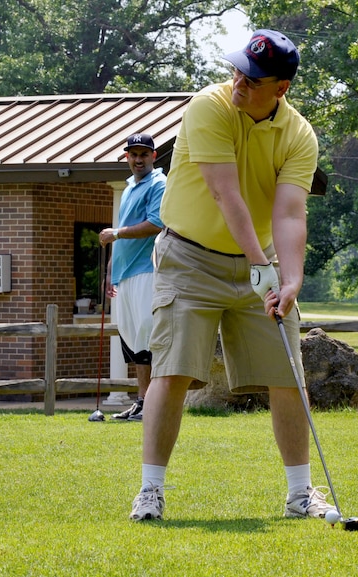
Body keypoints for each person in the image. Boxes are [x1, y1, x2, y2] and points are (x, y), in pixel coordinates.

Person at [129, 30, 333, 521]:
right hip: (189, 257)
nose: (239, 80)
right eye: (237, 69)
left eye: (253, 77)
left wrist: (290, 280)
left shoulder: (300, 136)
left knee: (288, 377)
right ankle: (150, 492)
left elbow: (288, 213)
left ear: (280, 88)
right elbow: (226, 196)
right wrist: (265, 268)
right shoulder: (209, 106)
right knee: (172, 371)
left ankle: (300, 496)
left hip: (259, 261)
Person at [99, 133, 166, 421]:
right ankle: (141, 402)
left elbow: (156, 223)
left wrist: (115, 233)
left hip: (147, 271)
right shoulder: (127, 188)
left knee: (147, 336)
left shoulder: (159, 184)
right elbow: (125, 230)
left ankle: (153, 404)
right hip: (125, 275)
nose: (138, 159)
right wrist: (110, 271)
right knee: (131, 339)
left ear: (153, 156)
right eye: (133, 154)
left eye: (144, 154)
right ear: (127, 157)